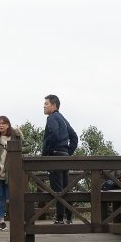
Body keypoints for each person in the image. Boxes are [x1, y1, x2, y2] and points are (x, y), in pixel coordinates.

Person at [42, 94, 78, 223]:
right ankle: (68, 217)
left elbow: (54, 135)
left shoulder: (52, 118)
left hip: (55, 157)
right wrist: (68, 152)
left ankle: (59, 219)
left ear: (53, 105)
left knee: (57, 190)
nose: (44, 106)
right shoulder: (63, 118)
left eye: (46, 103)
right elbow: (74, 138)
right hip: (64, 157)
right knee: (65, 188)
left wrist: (48, 153)